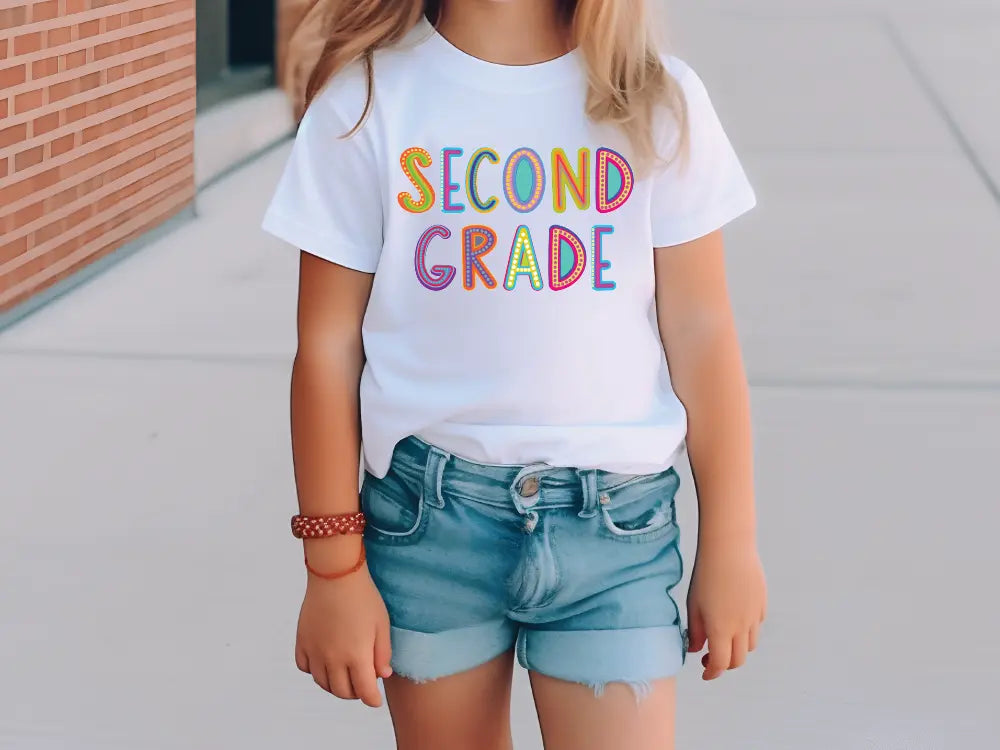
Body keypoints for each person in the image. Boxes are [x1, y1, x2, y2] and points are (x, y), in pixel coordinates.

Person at [261, 1, 767, 748]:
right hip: (430, 527)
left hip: (614, 532)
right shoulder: (366, 101)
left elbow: (702, 332)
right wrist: (332, 569)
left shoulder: (656, 98)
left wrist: (732, 541)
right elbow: (328, 347)